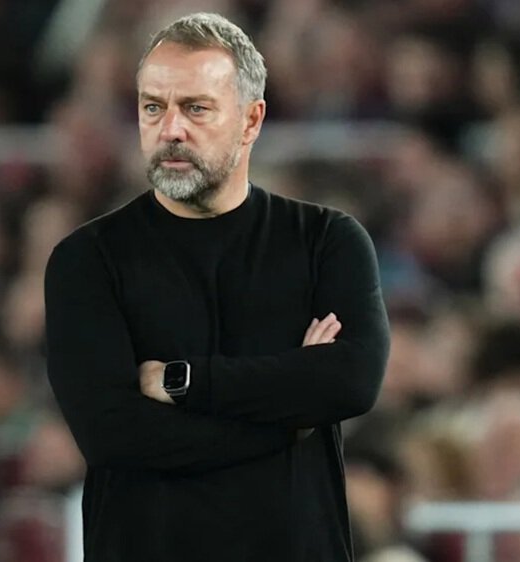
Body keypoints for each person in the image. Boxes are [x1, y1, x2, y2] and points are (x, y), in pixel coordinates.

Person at [44, 12, 390, 562]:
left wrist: (183, 382)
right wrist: (287, 420)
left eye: (196, 108)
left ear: (251, 120)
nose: (170, 130)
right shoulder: (87, 259)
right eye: (152, 107)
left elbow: (350, 382)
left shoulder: (327, 240)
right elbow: (113, 434)